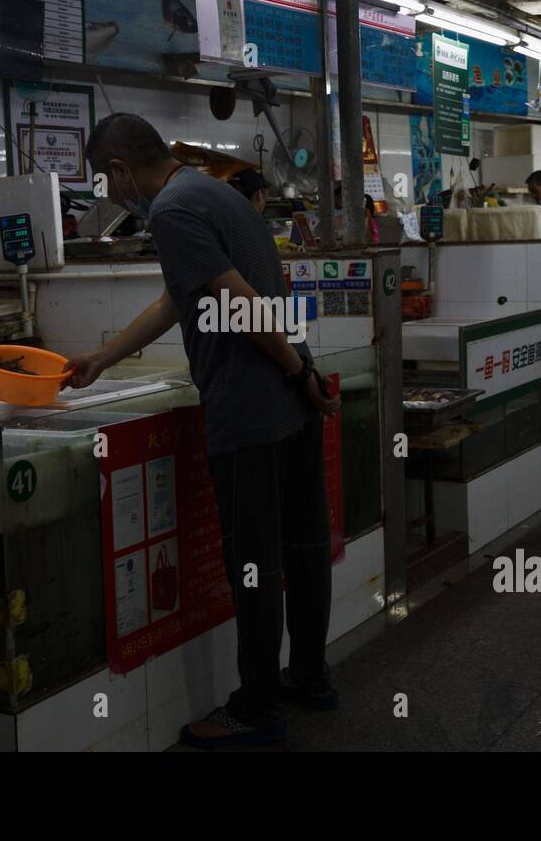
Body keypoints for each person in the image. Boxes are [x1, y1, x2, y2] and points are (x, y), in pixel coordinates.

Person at [70, 113, 340, 749]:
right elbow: (179, 299)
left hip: (252, 402)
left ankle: (256, 706)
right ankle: (308, 676)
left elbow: (237, 301)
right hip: (289, 394)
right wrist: (102, 360)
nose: (107, 195)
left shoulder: (170, 211)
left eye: (103, 182)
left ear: (118, 170)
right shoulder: (211, 191)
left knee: (254, 560)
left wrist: (295, 369)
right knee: (303, 544)